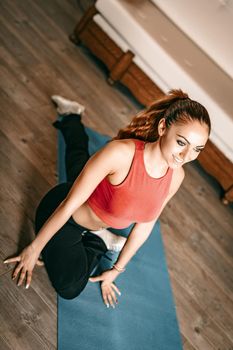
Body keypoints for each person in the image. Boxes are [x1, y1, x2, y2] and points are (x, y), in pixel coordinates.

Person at [3, 89, 211, 309]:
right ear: (162, 128)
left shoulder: (176, 176)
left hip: (101, 204)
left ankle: (72, 116)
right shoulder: (120, 154)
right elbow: (67, 206)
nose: (186, 156)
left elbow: (146, 224)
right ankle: (99, 240)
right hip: (67, 214)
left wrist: (115, 271)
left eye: (197, 149)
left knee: (79, 163)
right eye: (181, 142)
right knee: (70, 288)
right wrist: (34, 248)